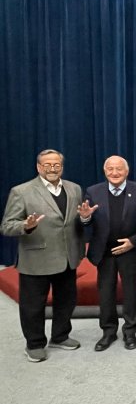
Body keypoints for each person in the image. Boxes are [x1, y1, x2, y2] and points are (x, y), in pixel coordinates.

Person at [1, 149, 87, 362]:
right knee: (33, 305)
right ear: (39, 167)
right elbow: (6, 226)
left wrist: (85, 219)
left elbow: (74, 221)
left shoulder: (74, 188)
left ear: (62, 167)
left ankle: (60, 336)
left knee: (66, 301)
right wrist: (25, 226)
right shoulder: (22, 191)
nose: (52, 169)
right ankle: (35, 344)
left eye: (56, 165)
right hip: (36, 258)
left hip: (68, 256)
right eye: (47, 165)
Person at [82, 156, 136, 351]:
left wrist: (133, 242)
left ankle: (130, 332)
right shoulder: (93, 192)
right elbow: (86, 221)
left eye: (119, 169)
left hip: (132, 250)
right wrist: (85, 218)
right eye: (110, 169)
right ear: (105, 172)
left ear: (126, 172)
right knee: (105, 294)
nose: (114, 172)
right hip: (105, 251)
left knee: (131, 293)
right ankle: (108, 332)